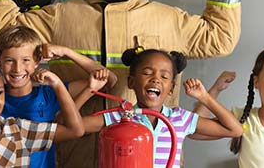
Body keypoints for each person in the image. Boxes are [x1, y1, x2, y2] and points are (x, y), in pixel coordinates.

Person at [0, 0, 243, 166]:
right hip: (76, 154)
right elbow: (7, 33)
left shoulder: (169, 19)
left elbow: (220, 37)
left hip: (147, 157)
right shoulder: (62, 15)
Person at [81, 48, 243, 168]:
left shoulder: (179, 118)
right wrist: (89, 89)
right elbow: (74, 126)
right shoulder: (120, 117)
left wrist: (204, 97)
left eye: (164, 76)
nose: (156, 79)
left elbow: (235, 130)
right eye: (147, 73)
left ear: (171, 88)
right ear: (131, 82)